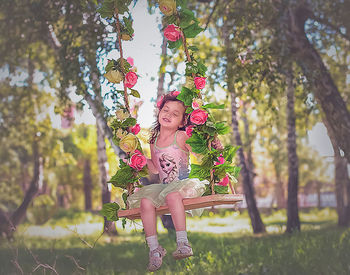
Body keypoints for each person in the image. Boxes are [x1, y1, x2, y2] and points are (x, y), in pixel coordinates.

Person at [127, 92, 209, 272]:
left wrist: (209, 143)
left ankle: (183, 243)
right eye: (166, 110)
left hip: (184, 186)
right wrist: (136, 159)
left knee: (172, 196)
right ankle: (154, 249)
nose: (168, 115)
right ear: (159, 112)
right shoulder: (153, 140)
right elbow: (155, 168)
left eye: (175, 113)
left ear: (182, 122)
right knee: (145, 202)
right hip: (164, 188)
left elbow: (199, 154)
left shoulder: (181, 136)